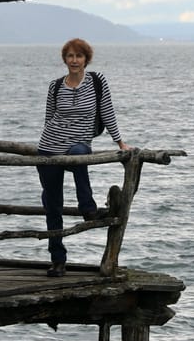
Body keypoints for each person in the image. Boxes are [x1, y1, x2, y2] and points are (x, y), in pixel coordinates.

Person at [37, 38, 129, 277]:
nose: (74, 60)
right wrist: (45, 146)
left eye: (79, 56)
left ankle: (87, 207)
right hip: (50, 146)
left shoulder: (97, 82)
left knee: (79, 155)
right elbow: (49, 118)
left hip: (78, 143)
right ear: (64, 60)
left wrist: (119, 142)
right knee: (52, 204)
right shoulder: (55, 86)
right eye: (70, 56)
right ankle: (57, 259)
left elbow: (107, 111)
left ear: (86, 59)